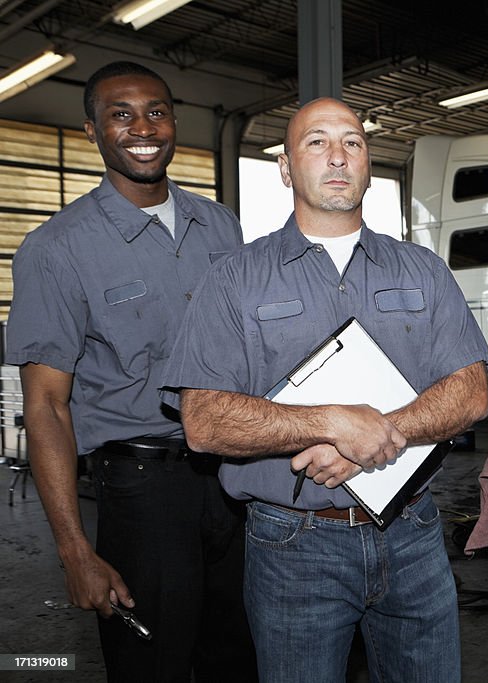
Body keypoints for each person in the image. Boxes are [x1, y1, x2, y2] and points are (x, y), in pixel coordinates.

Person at [160, 96, 488, 682]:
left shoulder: (422, 270)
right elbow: (205, 421)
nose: (338, 156)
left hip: (412, 533)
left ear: (367, 163)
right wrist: (332, 420)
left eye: (353, 143)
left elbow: (468, 392)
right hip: (293, 546)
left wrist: (377, 434)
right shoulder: (234, 278)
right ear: (286, 168)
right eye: (316, 142)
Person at [6, 61, 256, 681]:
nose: (142, 127)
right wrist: (74, 549)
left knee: (242, 655)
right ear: (91, 129)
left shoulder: (220, 225)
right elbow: (45, 406)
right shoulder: (57, 248)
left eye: (156, 111)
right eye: (121, 114)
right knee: (153, 664)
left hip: (236, 479)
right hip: (145, 491)